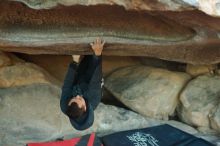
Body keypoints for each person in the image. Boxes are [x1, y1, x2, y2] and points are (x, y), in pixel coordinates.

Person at [60, 38, 105, 130]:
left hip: (78, 82)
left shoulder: (64, 105)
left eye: (73, 98)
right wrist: (97, 53)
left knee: (82, 64)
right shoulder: (94, 98)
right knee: (92, 61)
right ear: (85, 108)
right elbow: (95, 76)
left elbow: (67, 85)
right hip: (91, 82)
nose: (76, 96)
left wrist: (75, 61)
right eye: (79, 99)